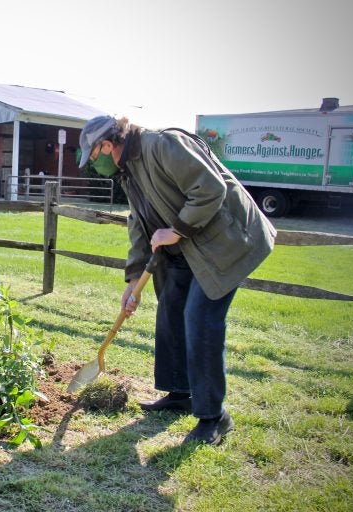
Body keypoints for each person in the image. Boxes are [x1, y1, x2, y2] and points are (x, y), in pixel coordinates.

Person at [78, 115, 276, 445]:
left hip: (226, 243)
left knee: (200, 319)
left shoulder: (162, 145)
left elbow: (211, 188)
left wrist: (177, 230)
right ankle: (181, 392)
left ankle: (215, 417)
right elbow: (140, 226)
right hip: (187, 248)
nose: (94, 164)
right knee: (171, 310)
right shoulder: (129, 172)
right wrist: (133, 279)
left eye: (93, 156)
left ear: (107, 145)